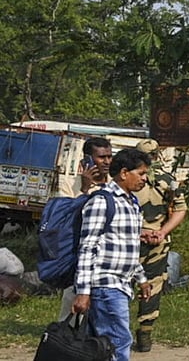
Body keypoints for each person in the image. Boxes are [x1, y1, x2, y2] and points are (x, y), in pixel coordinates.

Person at [72, 148, 152, 361]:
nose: (145, 179)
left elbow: (128, 247)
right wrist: (83, 291)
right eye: (141, 173)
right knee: (118, 341)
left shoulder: (132, 203)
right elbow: (87, 247)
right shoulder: (102, 201)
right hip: (105, 286)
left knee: (99, 347)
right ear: (124, 173)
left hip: (122, 284)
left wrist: (141, 279)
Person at [132, 139, 188, 352]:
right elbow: (181, 209)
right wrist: (163, 232)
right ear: (158, 155)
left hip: (129, 242)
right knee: (153, 287)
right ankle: (145, 333)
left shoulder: (128, 179)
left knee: (119, 286)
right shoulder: (169, 181)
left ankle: (111, 333)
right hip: (157, 242)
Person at [58, 137, 114, 321]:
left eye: (109, 157)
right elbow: (64, 218)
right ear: (87, 159)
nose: (106, 162)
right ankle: (64, 340)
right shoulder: (68, 184)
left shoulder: (116, 186)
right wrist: (84, 189)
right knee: (73, 303)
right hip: (79, 253)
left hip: (108, 255)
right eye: (101, 157)